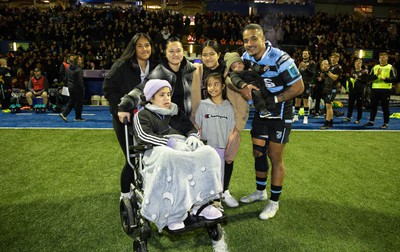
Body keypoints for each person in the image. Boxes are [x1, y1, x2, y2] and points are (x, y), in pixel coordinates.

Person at [121, 79, 223, 231]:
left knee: (209, 153)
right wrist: (170, 144)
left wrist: (193, 137)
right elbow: (144, 136)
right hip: (157, 151)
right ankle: (173, 213)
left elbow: (191, 128)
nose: (167, 98)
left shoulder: (176, 112)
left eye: (168, 94)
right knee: (170, 156)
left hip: (183, 149)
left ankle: (201, 204)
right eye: (161, 95)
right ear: (151, 97)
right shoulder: (143, 115)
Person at [237, 23, 304, 220]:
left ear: (262, 38)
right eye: (246, 40)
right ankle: (260, 192)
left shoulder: (280, 58)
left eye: (253, 39)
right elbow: (234, 78)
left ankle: (273, 202)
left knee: (275, 157)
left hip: (281, 113)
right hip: (261, 112)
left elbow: (299, 86)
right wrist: (246, 91)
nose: (250, 44)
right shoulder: (245, 57)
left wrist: (274, 99)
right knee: (258, 153)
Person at [191, 40, 249, 208]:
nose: (208, 58)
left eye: (212, 54)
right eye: (204, 54)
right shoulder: (197, 72)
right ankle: (204, 192)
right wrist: (194, 122)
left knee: (227, 157)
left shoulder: (227, 72)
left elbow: (239, 100)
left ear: (219, 55)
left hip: (226, 120)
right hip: (204, 119)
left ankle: (224, 191)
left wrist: (237, 128)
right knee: (202, 158)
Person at [102, 33, 157, 200]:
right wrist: (121, 107)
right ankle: (125, 193)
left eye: (147, 45)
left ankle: (145, 188)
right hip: (125, 119)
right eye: (139, 46)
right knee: (131, 157)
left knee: (149, 157)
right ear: (133, 48)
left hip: (147, 119)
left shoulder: (155, 65)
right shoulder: (122, 65)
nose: (144, 49)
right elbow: (108, 88)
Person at [195, 73, 237, 209]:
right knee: (204, 176)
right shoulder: (202, 105)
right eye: (209, 85)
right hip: (206, 149)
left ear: (223, 86)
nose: (212, 88)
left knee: (218, 177)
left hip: (221, 149)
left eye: (216, 84)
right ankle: (201, 203)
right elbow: (197, 127)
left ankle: (216, 203)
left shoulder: (229, 107)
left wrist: (229, 148)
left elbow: (231, 131)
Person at [224, 51, 275, 119]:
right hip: (251, 88)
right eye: (234, 66)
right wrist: (243, 85)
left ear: (243, 64)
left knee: (270, 95)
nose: (238, 66)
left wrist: (262, 69)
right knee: (257, 95)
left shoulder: (250, 68)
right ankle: (262, 110)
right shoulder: (234, 74)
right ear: (232, 69)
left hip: (261, 85)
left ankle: (272, 109)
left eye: (239, 63)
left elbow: (257, 68)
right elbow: (235, 79)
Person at [363, 52, 398, 129]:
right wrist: (376, 76)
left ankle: (385, 123)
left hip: (385, 90)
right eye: (380, 57)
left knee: (385, 107)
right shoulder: (375, 67)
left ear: (387, 58)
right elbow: (368, 78)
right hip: (375, 89)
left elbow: (395, 78)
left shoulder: (390, 67)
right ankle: (371, 121)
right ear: (378, 59)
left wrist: (386, 79)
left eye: (384, 57)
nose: (382, 59)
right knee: (373, 106)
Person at [59, 55, 85, 122]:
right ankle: (76, 117)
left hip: (70, 87)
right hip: (78, 88)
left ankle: (66, 114)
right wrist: (82, 88)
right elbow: (80, 81)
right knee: (79, 102)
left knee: (72, 101)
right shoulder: (79, 70)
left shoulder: (68, 68)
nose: (81, 60)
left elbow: (66, 78)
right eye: (79, 59)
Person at [320, 53, 343, 130]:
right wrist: (323, 70)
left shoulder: (338, 68)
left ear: (338, 59)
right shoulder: (330, 67)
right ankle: (330, 122)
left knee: (328, 106)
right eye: (332, 57)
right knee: (329, 106)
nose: (333, 59)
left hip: (332, 88)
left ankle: (326, 123)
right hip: (327, 87)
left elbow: (334, 78)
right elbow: (323, 77)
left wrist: (327, 71)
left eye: (335, 58)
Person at [293, 49, 316, 124]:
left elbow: (312, 74)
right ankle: (296, 116)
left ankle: (305, 117)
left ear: (309, 55)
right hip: (299, 82)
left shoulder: (312, 63)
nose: (304, 55)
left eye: (306, 53)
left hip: (307, 83)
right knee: (297, 99)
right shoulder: (298, 62)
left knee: (305, 100)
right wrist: (298, 69)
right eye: (303, 53)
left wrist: (306, 69)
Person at [343, 58, 368, 124]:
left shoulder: (363, 72)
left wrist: (358, 79)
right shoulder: (353, 72)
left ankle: (358, 119)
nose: (357, 64)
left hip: (359, 92)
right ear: (354, 64)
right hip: (352, 92)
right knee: (350, 105)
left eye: (359, 63)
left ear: (361, 64)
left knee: (359, 106)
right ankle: (348, 117)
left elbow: (365, 82)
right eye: (356, 63)